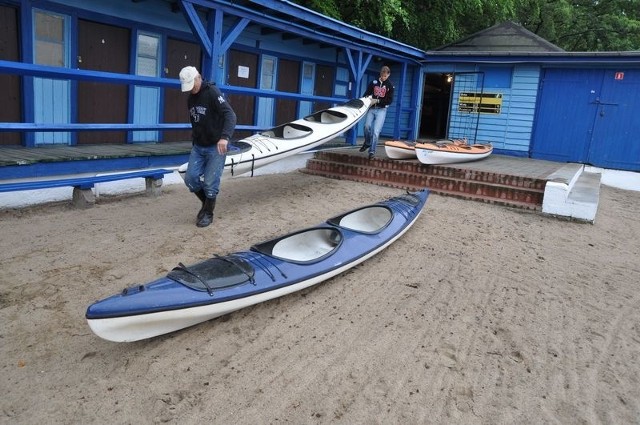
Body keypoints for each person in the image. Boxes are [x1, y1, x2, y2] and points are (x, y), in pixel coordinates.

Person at [179, 66, 237, 228]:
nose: (191, 89)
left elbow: (230, 115)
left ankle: (208, 213)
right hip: (199, 145)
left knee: (211, 182)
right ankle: (207, 206)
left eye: (193, 84)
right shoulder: (190, 98)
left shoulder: (212, 92)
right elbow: (195, 121)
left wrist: (225, 137)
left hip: (216, 146)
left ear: (198, 78)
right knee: (190, 179)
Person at [360, 65, 394, 159]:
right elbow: (366, 93)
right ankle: (367, 143)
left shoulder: (390, 86)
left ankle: (372, 151)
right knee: (366, 126)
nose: (383, 78)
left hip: (381, 110)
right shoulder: (373, 82)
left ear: (388, 75)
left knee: (375, 131)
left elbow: (389, 100)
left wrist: (378, 101)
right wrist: (365, 100)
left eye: (385, 76)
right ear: (380, 74)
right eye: (382, 76)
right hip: (372, 108)